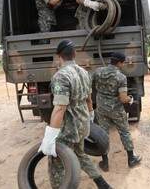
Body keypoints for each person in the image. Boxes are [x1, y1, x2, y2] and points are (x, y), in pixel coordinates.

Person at [38, 40, 112, 189]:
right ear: (75, 54)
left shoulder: (61, 76)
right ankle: (102, 184)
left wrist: (50, 136)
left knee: (56, 161)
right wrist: (90, 118)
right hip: (82, 124)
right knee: (80, 154)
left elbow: (60, 108)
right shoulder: (85, 73)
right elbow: (89, 100)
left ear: (59, 56)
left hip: (68, 128)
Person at [92, 52, 142, 172]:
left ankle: (105, 163)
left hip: (101, 108)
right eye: (123, 63)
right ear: (120, 62)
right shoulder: (121, 77)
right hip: (116, 110)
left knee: (103, 134)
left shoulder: (98, 71)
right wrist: (131, 99)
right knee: (124, 132)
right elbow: (123, 98)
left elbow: (91, 86)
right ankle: (131, 159)